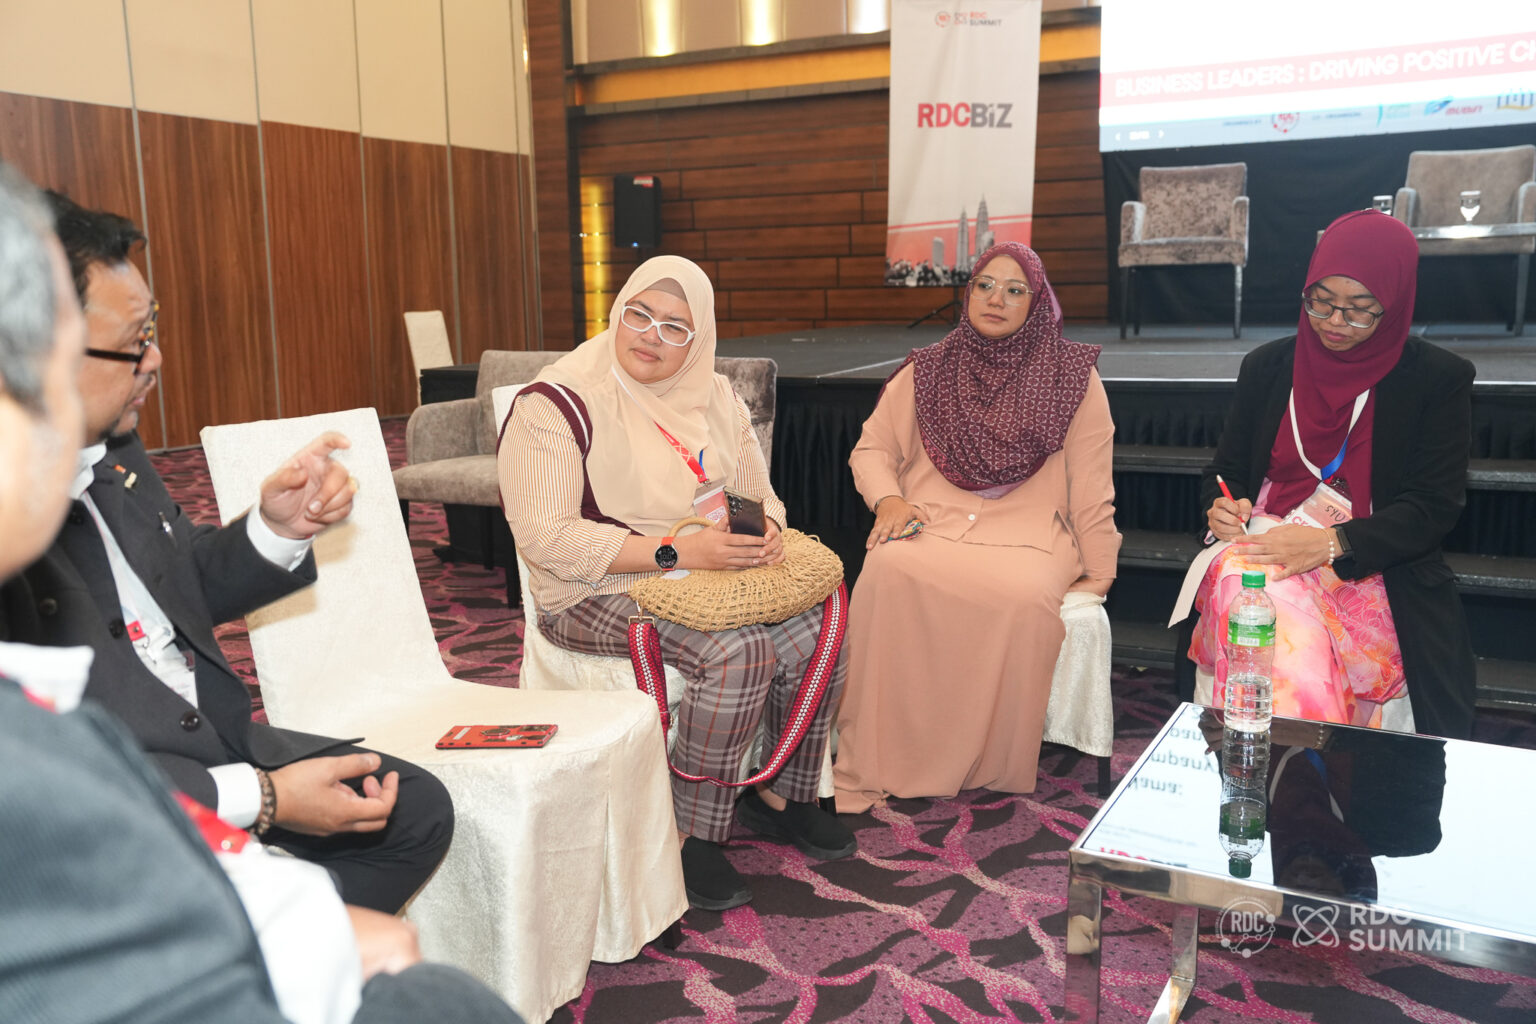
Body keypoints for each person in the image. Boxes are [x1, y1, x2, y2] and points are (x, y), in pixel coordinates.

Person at [0, 162, 521, 1024]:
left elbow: (177, 590)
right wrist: (265, 803)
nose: (155, 361)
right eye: (128, 344)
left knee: (414, 809)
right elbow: (63, 785)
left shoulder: (116, 449)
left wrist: (276, 529)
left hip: (206, 735)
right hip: (151, 774)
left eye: (153, 330)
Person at [499, 255, 854, 912]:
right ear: (618, 310)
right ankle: (691, 830)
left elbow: (751, 494)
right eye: (639, 314)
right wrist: (675, 551)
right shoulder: (556, 404)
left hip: (700, 569)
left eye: (674, 327)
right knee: (737, 648)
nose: (649, 336)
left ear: (699, 339)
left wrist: (764, 532)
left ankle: (783, 794)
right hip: (592, 588)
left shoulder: (712, 396)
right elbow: (547, 539)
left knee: (816, 618)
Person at [832, 241, 1120, 813]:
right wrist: (889, 500)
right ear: (968, 294)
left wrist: (1101, 568)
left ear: (1037, 303)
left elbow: (1092, 484)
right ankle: (882, 752)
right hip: (931, 522)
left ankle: (981, 759)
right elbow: (873, 449)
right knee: (889, 568)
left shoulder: (1072, 378)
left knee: (1022, 597)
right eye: (986, 285)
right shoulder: (928, 369)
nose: (996, 299)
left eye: (1015, 290)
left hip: (1028, 534)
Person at [1189, 209, 1476, 737]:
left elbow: (1432, 507)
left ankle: (1313, 770)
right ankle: (1295, 771)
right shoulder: (1268, 367)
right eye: (1320, 302)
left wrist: (1329, 545)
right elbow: (1225, 471)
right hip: (1269, 541)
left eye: (1359, 310)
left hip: (1377, 558)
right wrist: (1222, 505)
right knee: (1267, 618)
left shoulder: (1437, 380)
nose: (1334, 322)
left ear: (1394, 303)